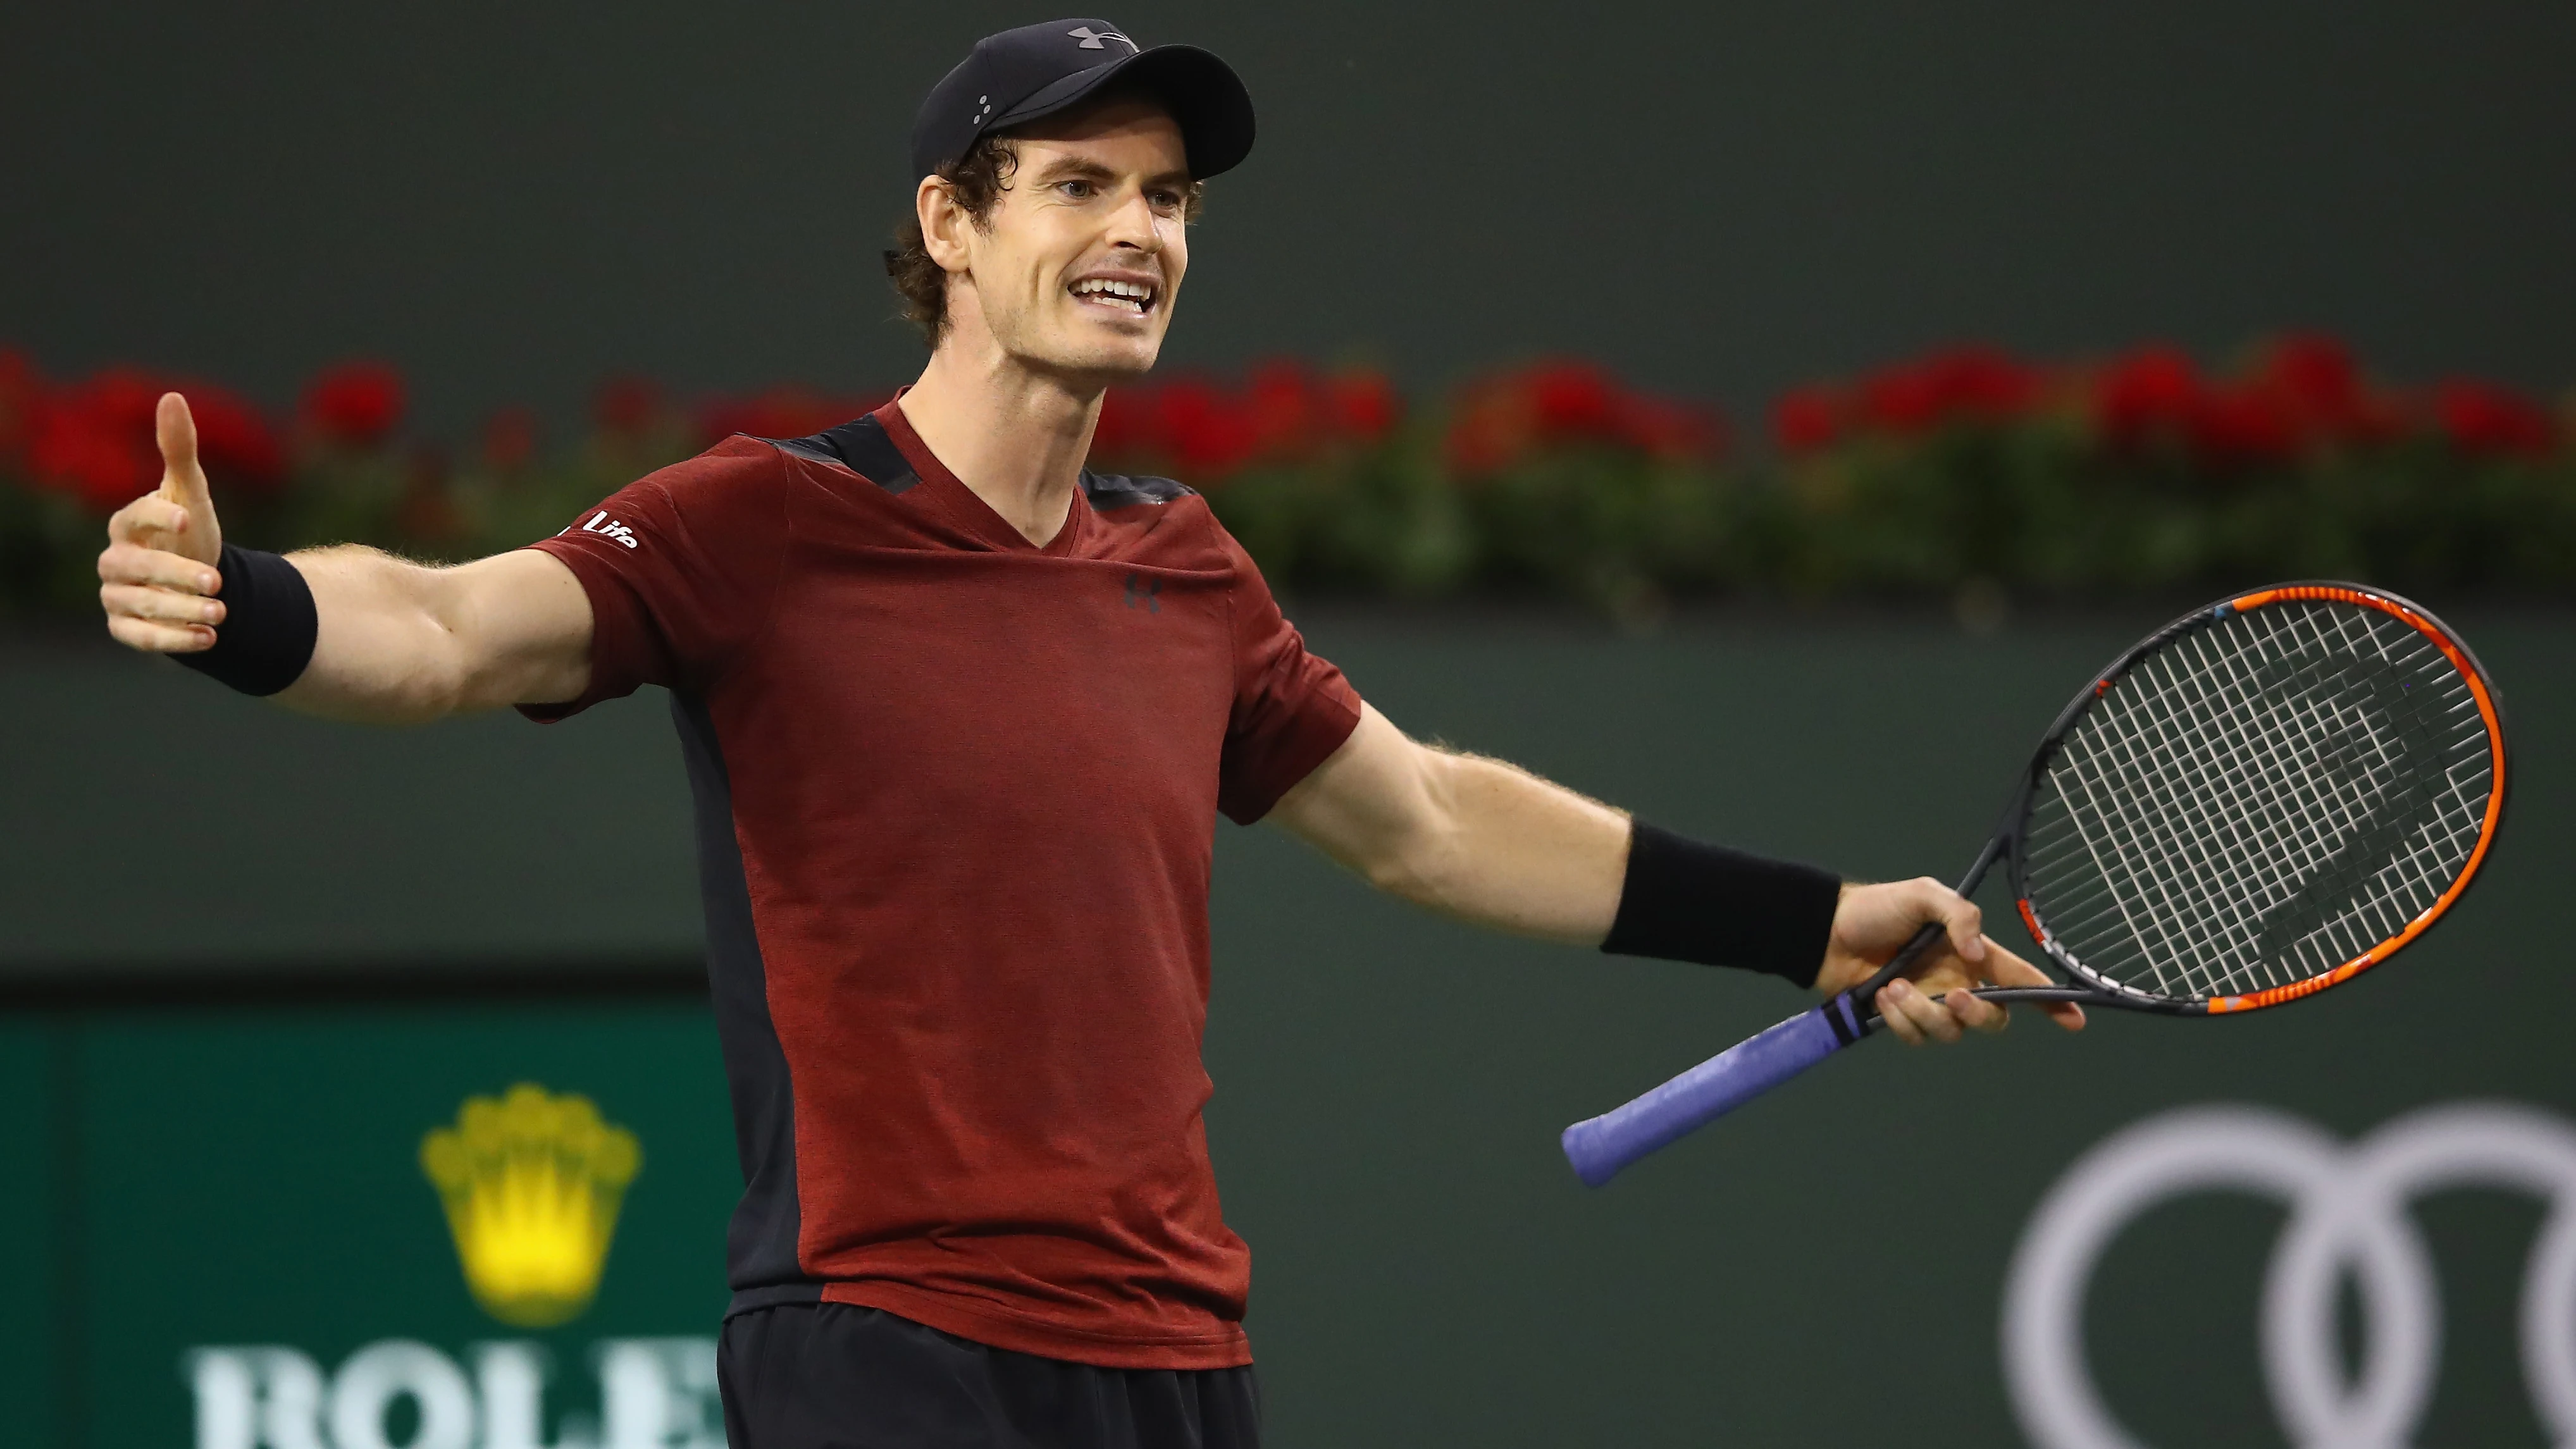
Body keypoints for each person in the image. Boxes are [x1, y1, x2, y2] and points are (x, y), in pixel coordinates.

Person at [94, 17, 2082, 1449]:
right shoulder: (760, 527)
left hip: (1171, 1357)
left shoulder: (1185, 570)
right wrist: (241, 603)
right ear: (950, 227)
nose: (1137, 228)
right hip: (886, 1348)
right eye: (1075, 185)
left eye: (1166, 195)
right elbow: (447, 629)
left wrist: (1824, 922)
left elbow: (1433, 824)